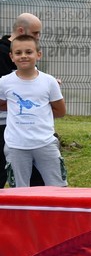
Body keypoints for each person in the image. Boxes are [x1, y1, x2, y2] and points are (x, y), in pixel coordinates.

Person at [0, 34, 66, 186]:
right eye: (18, 53)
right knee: (19, 193)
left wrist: (39, 113)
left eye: (28, 52)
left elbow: (60, 111)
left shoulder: (49, 82)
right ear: (11, 56)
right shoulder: (4, 82)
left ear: (38, 54)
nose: (23, 56)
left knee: (58, 189)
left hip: (45, 143)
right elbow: (3, 104)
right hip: (16, 146)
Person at [1, 13, 45, 187]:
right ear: (21, 30)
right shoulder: (2, 54)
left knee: (37, 176)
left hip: (29, 125)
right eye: (35, 33)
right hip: (5, 125)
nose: (38, 37)